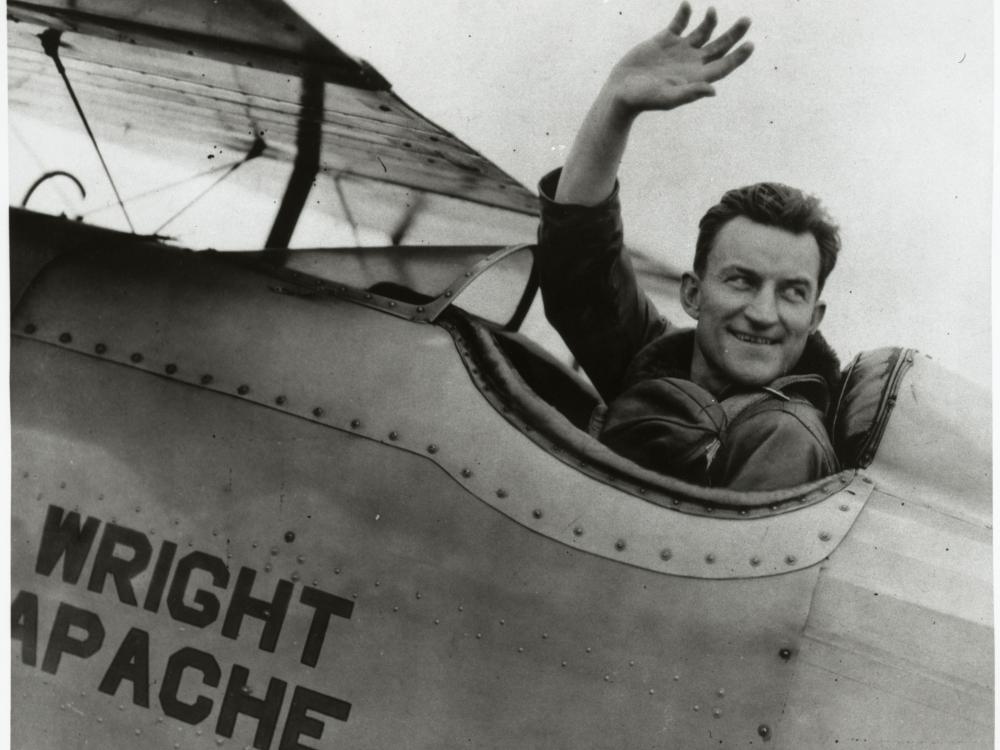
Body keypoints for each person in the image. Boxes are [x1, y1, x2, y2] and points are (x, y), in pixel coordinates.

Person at [535, 2, 841, 491]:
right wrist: (616, 105)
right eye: (742, 280)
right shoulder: (658, 364)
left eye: (791, 292)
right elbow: (580, 270)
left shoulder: (784, 436)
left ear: (815, 317)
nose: (763, 313)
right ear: (693, 295)